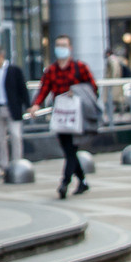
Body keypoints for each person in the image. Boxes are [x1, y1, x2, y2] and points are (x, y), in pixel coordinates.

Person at [35, 34, 97, 199]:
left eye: (63, 45)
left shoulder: (80, 67)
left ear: (70, 48)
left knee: (71, 150)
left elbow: (92, 87)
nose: (60, 48)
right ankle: (82, 181)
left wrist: (76, 92)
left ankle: (64, 183)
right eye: (58, 45)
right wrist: (36, 104)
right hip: (61, 115)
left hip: (76, 115)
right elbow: (44, 88)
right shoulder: (52, 70)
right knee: (69, 150)